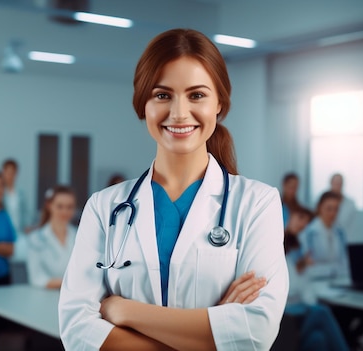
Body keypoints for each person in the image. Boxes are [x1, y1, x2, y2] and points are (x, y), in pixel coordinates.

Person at [59, 28, 288, 350]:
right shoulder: (103, 207)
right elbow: (77, 332)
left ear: (219, 103)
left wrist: (123, 310)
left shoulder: (257, 203)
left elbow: (256, 333)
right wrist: (214, 332)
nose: (179, 113)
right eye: (162, 95)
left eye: (196, 95)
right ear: (143, 105)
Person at [284, 208, 349, 351]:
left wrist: (302, 268)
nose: (303, 225)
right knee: (322, 312)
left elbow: (305, 286)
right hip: (286, 312)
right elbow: (290, 289)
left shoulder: (297, 249)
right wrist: (299, 271)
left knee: (318, 339)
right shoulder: (276, 247)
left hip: (300, 309)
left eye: (307, 222)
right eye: (300, 218)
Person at [27, 186, 77, 289]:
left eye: (69, 207)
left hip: (74, 296)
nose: (65, 212)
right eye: (60, 206)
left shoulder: (79, 235)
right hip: (45, 295)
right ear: (49, 206)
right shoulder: (35, 238)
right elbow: (36, 278)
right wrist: (67, 283)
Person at [299, 191, 349, 279]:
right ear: (319, 208)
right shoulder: (308, 233)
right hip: (315, 280)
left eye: (336, 209)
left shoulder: (340, 233)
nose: (333, 213)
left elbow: (344, 262)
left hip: (338, 279)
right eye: (329, 209)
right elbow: (308, 266)